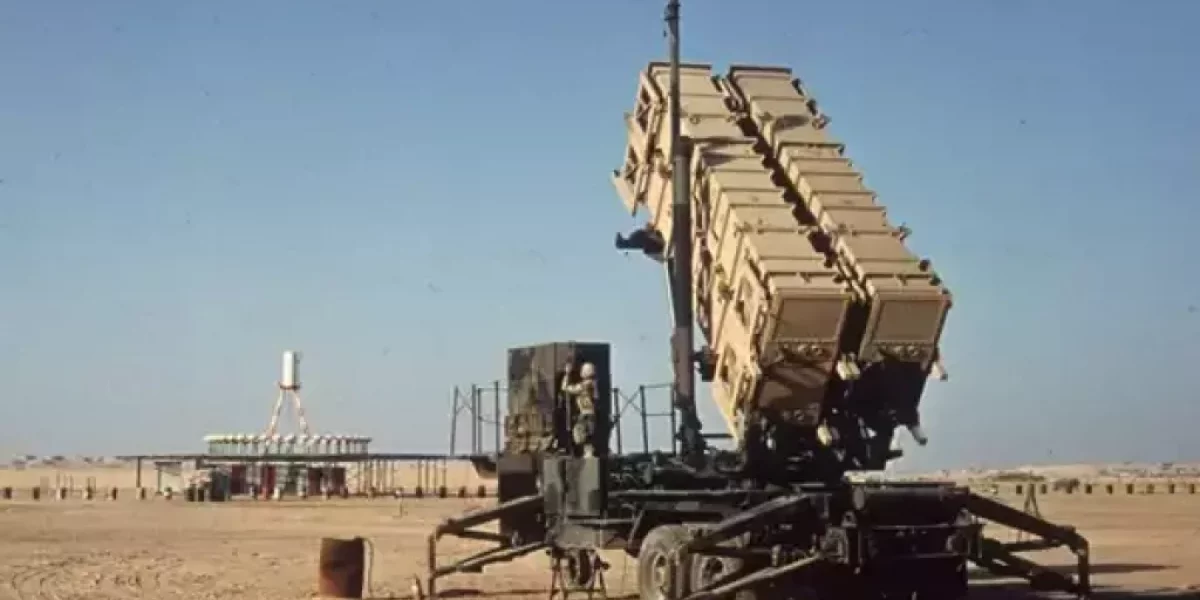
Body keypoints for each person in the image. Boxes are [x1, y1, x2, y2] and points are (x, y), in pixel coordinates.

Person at [561, 360, 598, 458]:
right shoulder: (593, 384)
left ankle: (588, 452)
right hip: (591, 414)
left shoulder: (585, 385)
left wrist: (567, 374)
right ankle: (588, 453)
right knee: (588, 436)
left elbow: (565, 388)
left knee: (579, 435)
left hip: (586, 414)